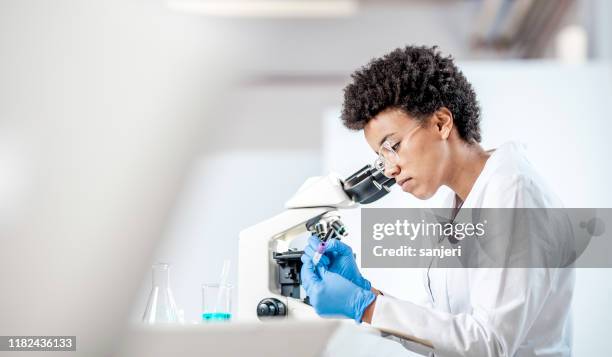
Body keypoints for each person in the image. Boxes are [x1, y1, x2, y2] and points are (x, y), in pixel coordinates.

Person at [300, 45, 574, 356]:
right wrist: (369, 294)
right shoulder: (455, 204)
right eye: (381, 157)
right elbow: (447, 328)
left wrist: (369, 308)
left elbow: (490, 343)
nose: (390, 168)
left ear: (442, 122)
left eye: (393, 146)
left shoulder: (512, 194)